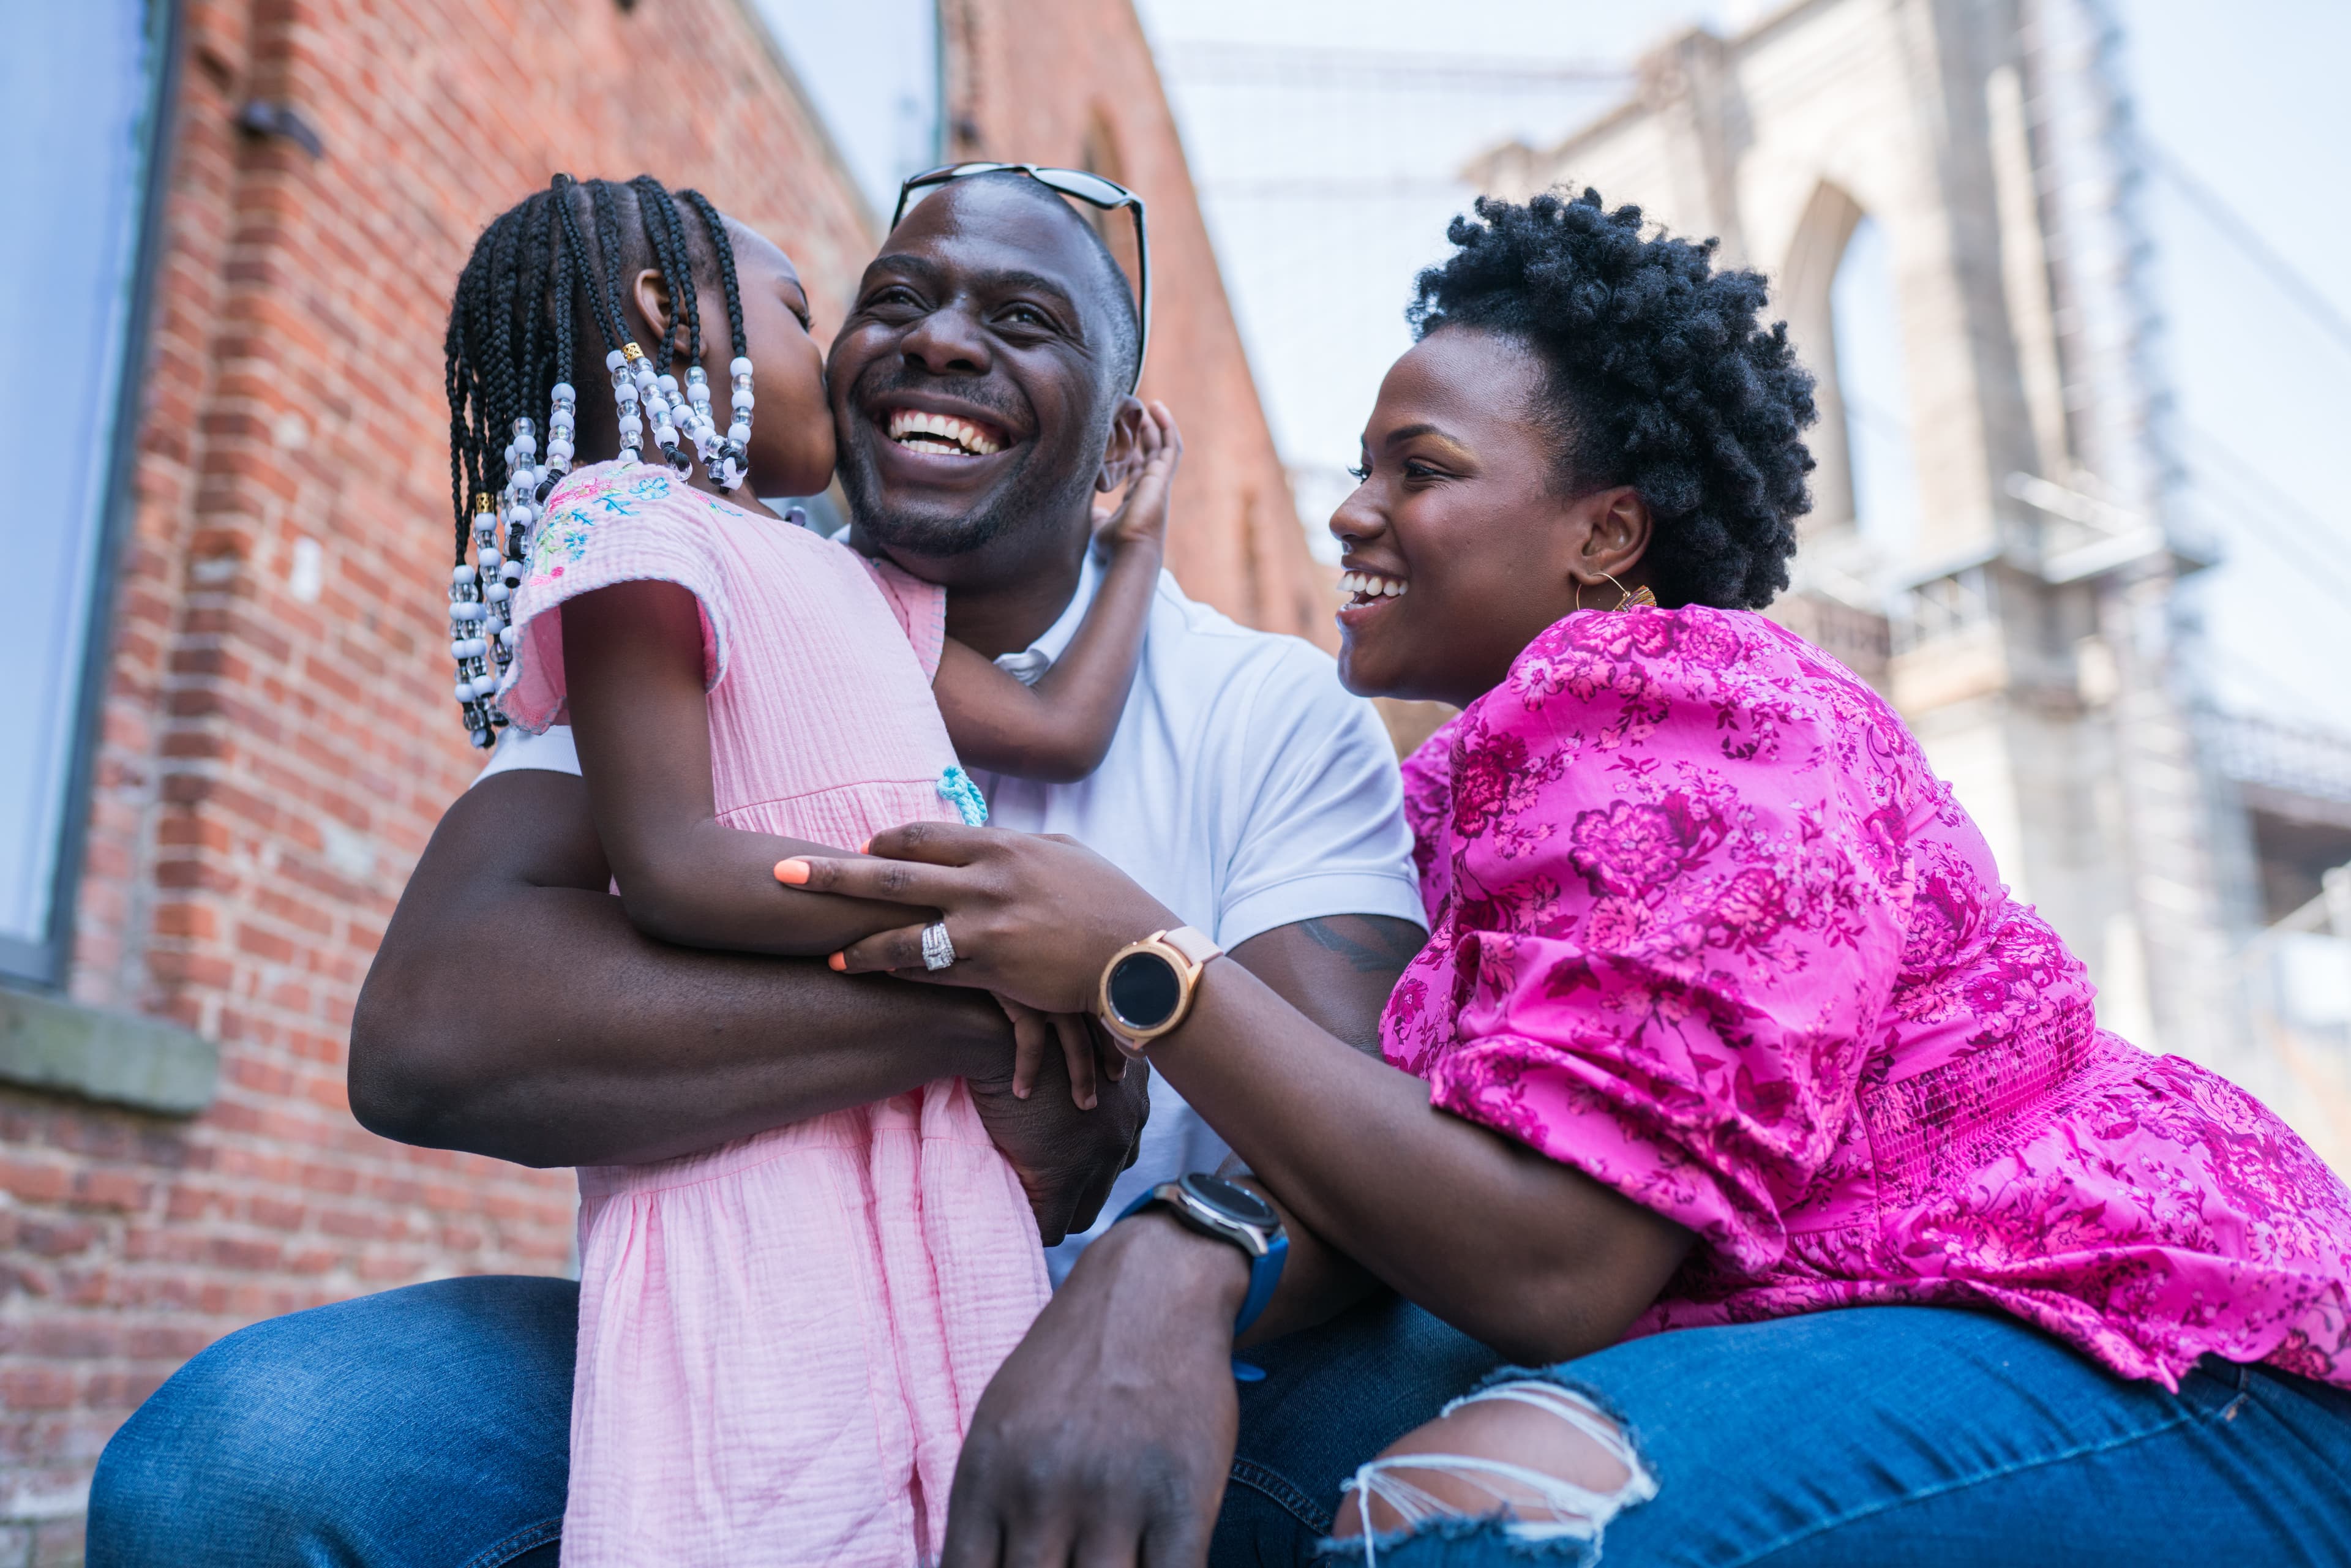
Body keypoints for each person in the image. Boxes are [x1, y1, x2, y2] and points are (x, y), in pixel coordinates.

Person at [779, 190, 2351, 1567]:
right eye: (1363, 463)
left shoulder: (1720, 717)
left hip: (2156, 1345)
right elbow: (1398, 1161)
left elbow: (1558, 1259)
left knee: (1475, 1517)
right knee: (1240, 1483)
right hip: (1879, 1327)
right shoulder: (1486, 782)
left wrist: (1145, 967)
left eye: (1423, 466)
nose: (1351, 508)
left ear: (1605, 532)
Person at [84, 168, 1438, 1567]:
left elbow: (1358, 1138)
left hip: (1133, 1350)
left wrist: (1173, 1265)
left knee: (1445, 1359)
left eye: (1025, 318)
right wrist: (977, 1019)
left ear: (1118, 434)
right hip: (761, 1324)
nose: (939, 341)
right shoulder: (702, 591)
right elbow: (431, 1034)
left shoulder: (1266, 708)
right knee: (237, 1461)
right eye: (889, 302)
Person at [439, 172, 1185, 1564]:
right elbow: (669, 865)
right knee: (766, 1497)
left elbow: (1061, 727)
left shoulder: (854, 582)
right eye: (801, 311)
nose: (824, 349)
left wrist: (1131, 541)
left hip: (941, 1152)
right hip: (753, 1161)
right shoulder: (627, 532)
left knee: (957, 1485)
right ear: (673, 319)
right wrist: (966, 938)